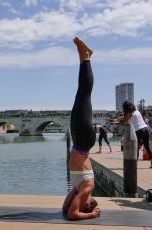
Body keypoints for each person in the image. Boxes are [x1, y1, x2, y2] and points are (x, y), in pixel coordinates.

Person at [62, 37, 101, 220]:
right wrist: (92, 214)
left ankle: (83, 57)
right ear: (86, 203)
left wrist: (78, 204)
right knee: (84, 94)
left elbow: (65, 210)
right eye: (85, 202)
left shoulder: (79, 189)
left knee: (80, 94)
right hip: (84, 142)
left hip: (80, 142)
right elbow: (72, 215)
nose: (80, 200)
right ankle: (86, 57)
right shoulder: (87, 187)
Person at [110, 101, 152, 168]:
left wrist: (114, 123)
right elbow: (124, 117)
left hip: (139, 131)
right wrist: (116, 119)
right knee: (147, 146)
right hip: (146, 129)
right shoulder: (136, 111)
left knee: (136, 148)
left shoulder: (129, 114)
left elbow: (123, 122)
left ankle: (134, 166)